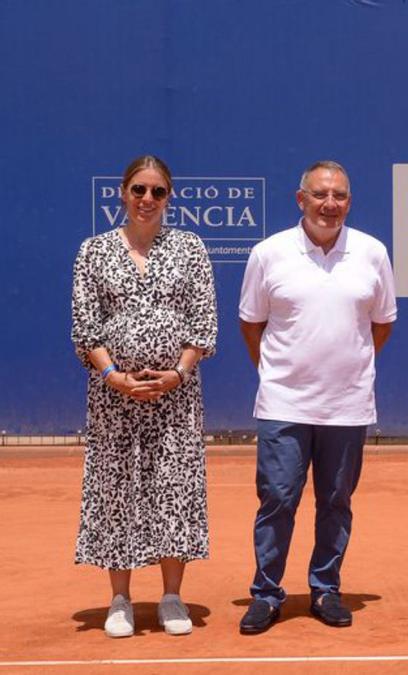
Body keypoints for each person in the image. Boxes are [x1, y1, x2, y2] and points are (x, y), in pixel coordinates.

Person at [237, 160, 396, 634]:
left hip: (346, 406)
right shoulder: (269, 253)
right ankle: (267, 594)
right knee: (278, 499)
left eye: (340, 196)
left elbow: (382, 323)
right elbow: (251, 324)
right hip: (283, 403)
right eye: (321, 195)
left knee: (336, 500)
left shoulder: (372, 252)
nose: (331, 204)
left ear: (349, 200)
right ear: (300, 199)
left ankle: (325, 588)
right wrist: (277, 374)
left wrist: (348, 367)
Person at [71, 155, 217, 638]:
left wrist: (177, 373)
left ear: (169, 196)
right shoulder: (93, 252)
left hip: (175, 395)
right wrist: (114, 376)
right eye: (139, 190)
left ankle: (172, 598)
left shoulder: (190, 249)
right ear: (122, 193)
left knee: (172, 486)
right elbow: (85, 328)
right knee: (118, 491)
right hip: (115, 399)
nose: (147, 200)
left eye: (157, 191)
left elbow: (203, 323)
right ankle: (119, 600)